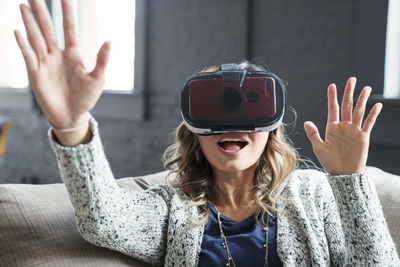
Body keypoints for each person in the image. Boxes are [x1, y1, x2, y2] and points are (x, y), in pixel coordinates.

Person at [15, 0, 399, 266]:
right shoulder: (171, 211)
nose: (231, 123)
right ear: (194, 131)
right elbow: (101, 219)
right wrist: (72, 125)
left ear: (271, 127)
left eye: (246, 107)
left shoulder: (314, 194)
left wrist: (349, 182)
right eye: (216, 108)